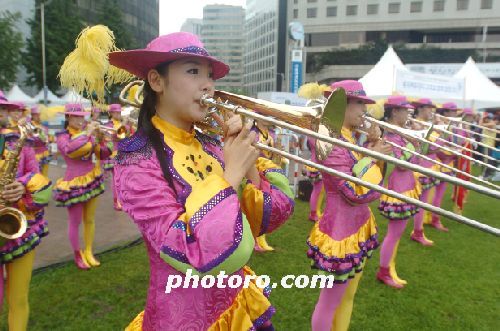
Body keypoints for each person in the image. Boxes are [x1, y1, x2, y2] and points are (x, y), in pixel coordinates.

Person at [108, 32, 294, 330]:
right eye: (193, 71)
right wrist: (231, 175)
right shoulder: (136, 161)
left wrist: (248, 165)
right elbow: (189, 251)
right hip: (182, 316)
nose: (208, 84)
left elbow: (266, 222)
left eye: (209, 75)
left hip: (235, 300)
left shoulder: (210, 143)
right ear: (156, 81)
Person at [308, 80, 391, 330]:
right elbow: (354, 191)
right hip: (340, 232)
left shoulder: (349, 137)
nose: (363, 111)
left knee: (348, 297)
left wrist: (371, 150)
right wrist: (373, 156)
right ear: (341, 105)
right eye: (359, 104)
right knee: (329, 303)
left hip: (357, 226)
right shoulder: (328, 142)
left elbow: (360, 171)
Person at [0, 93, 52, 331]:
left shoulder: (20, 143)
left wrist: (22, 185)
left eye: (4, 109)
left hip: (18, 228)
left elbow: (37, 175)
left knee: (18, 299)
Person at [52, 103, 112, 270]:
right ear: (68, 118)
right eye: (76, 116)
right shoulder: (62, 136)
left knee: (90, 219)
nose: (80, 119)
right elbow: (71, 149)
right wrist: (89, 133)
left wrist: (102, 141)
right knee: (75, 222)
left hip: (91, 177)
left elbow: (103, 154)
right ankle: (77, 254)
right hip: (73, 182)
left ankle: (89, 251)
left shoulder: (89, 133)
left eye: (81, 116)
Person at [377, 95, 423, 289]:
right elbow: (402, 165)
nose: (408, 114)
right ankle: (384, 270)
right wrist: (413, 142)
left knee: (398, 233)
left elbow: (416, 163)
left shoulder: (401, 134)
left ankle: (389, 268)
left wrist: (416, 143)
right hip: (398, 187)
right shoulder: (390, 136)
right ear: (395, 111)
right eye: (405, 111)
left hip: (407, 185)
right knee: (393, 234)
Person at [102, 103, 134, 210]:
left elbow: (128, 136)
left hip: (124, 153)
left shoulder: (122, 123)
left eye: (120, 112)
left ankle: (124, 200)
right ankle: (117, 202)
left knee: (124, 179)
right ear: (110, 113)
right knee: (116, 179)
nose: (119, 114)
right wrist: (124, 124)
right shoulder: (108, 125)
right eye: (116, 112)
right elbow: (118, 136)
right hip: (114, 154)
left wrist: (129, 125)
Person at [29, 105, 51, 177]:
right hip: (35, 154)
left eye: (40, 115)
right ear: (32, 115)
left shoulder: (44, 126)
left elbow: (48, 138)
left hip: (45, 152)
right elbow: (31, 139)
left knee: (45, 174)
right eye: (37, 115)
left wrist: (49, 138)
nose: (39, 117)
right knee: (36, 174)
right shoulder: (30, 126)